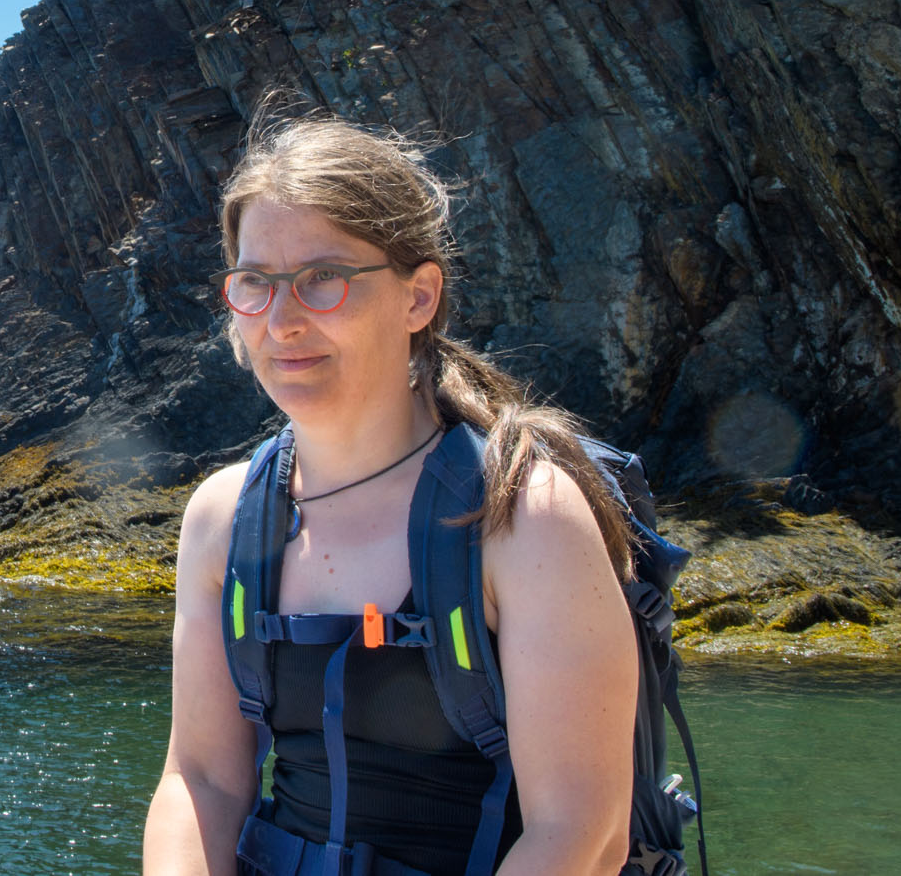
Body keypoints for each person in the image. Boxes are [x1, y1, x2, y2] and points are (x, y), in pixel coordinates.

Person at [142, 109, 640, 876]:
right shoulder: (223, 518)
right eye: (254, 283)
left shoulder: (520, 514)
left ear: (418, 297)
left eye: (324, 279)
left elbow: (581, 833)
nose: (282, 319)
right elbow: (201, 779)